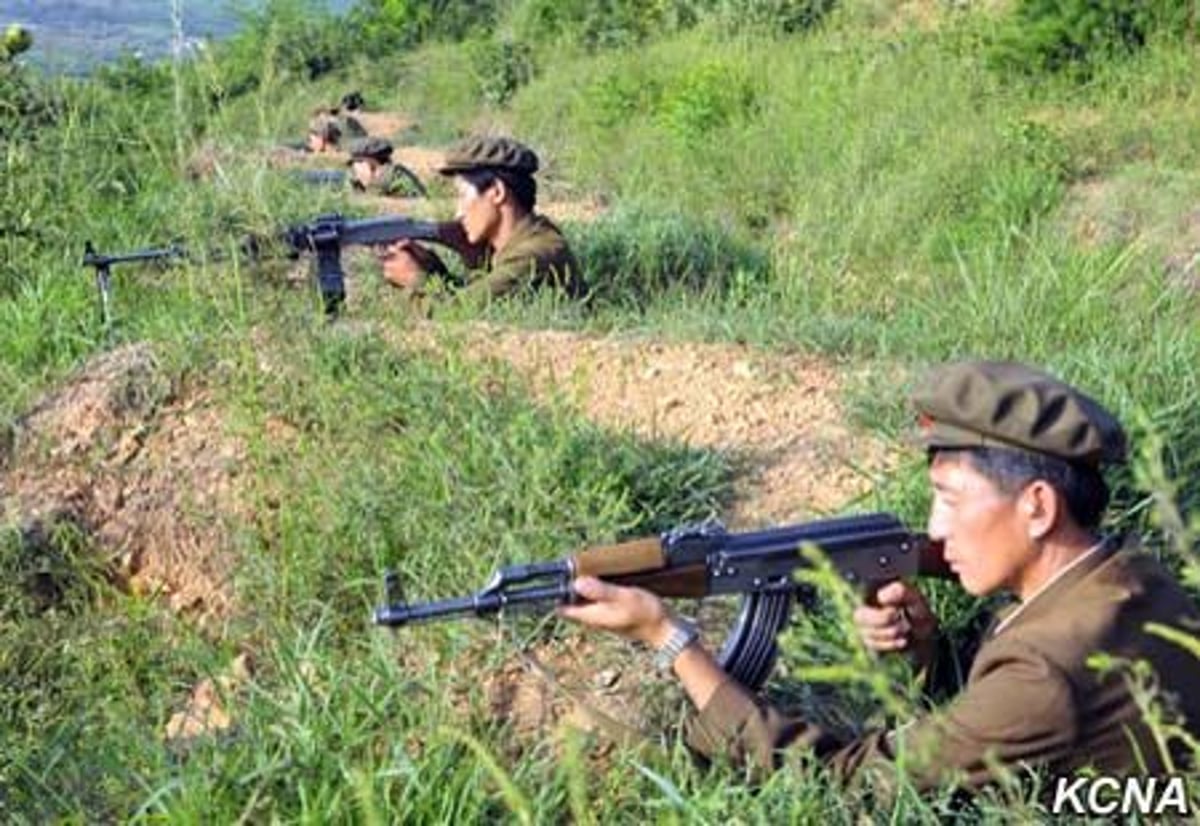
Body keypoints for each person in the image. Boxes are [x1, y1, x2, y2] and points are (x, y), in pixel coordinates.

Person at [559, 360, 1200, 793]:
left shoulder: (1044, 673)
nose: (936, 528)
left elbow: (850, 782)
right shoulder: (1131, 575)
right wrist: (930, 653)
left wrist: (670, 641)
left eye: (950, 498)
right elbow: (1027, 716)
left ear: (1037, 506)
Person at [380, 135, 584, 312]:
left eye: (463, 196)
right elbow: (477, 296)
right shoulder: (527, 242)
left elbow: (457, 314)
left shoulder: (533, 255)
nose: (458, 212)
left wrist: (414, 280)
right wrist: (433, 271)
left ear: (497, 192)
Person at [345, 137, 427, 198]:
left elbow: (416, 201)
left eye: (358, 162)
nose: (354, 167)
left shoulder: (396, 175)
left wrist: (369, 183)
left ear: (371, 163)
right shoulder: (359, 177)